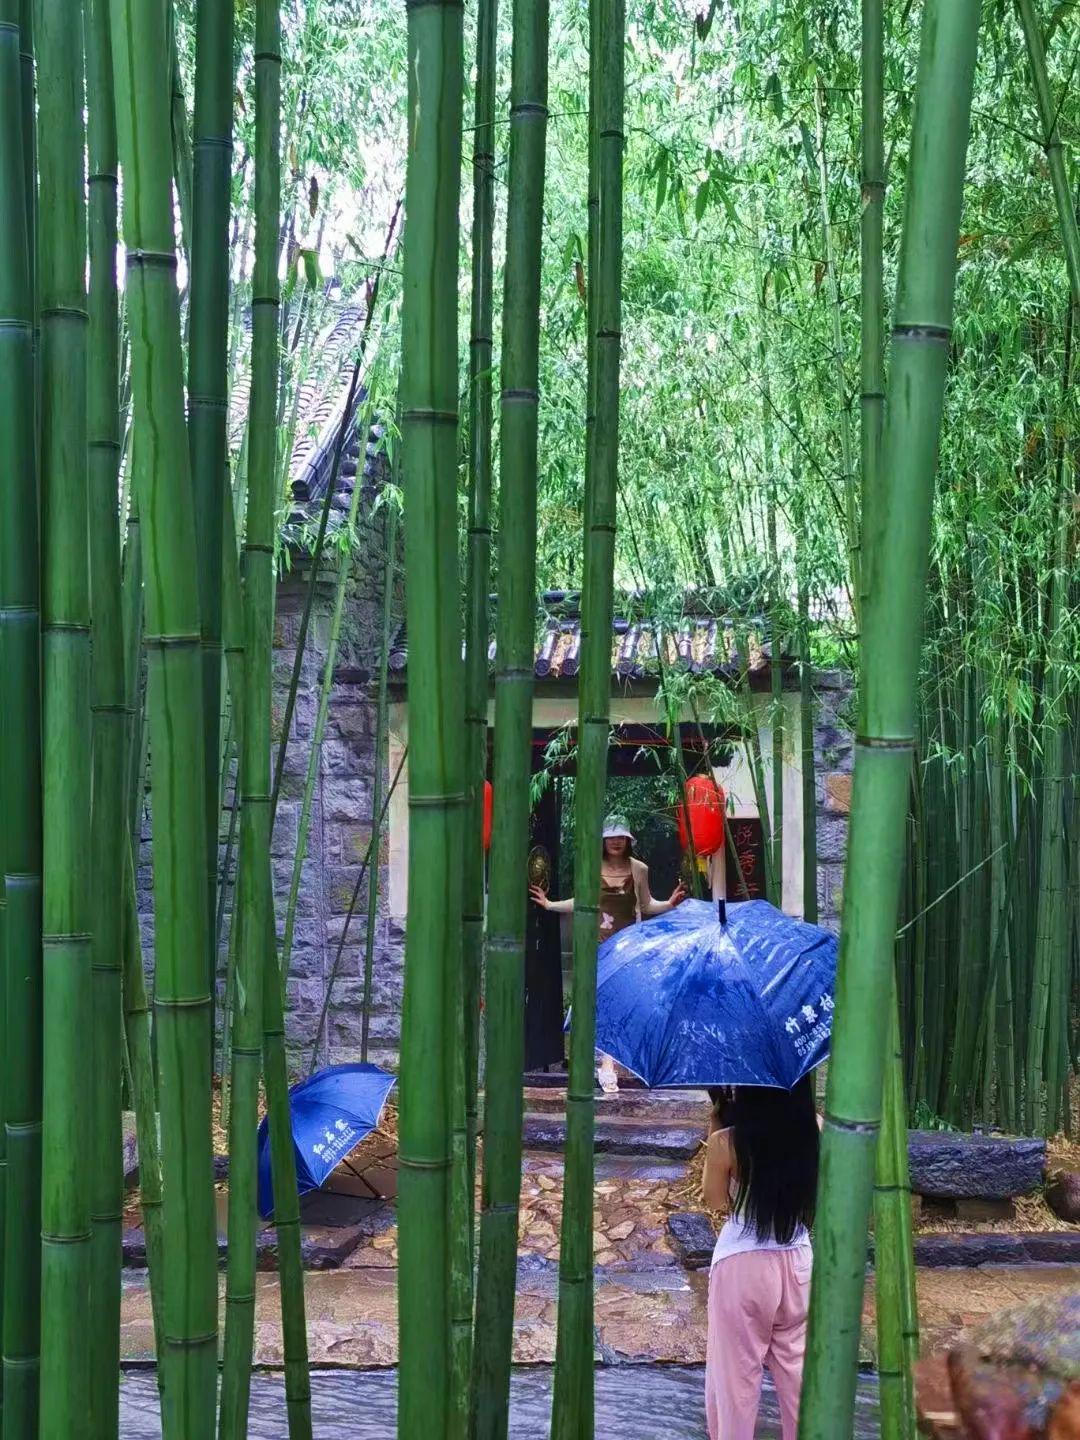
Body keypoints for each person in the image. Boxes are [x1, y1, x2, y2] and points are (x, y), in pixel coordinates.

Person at [529, 814, 686, 1092]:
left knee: (625, 1002)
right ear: (603, 840)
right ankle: (607, 1063)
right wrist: (550, 904)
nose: (616, 841)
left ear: (628, 840)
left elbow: (647, 905)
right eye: (611, 837)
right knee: (599, 1004)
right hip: (596, 946)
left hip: (629, 948)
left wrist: (670, 904)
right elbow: (582, 902)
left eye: (621, 837)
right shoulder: (591, 867)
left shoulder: (639, 869)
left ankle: (620, 1059)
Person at [701, 1080, 821, 1440]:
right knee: (800, 1381)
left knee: (735, 1381)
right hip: (799, 1261)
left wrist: (717, 1123)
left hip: (741, 1266)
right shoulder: (816, 1129)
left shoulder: (727, 1142)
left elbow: (715, 1200)